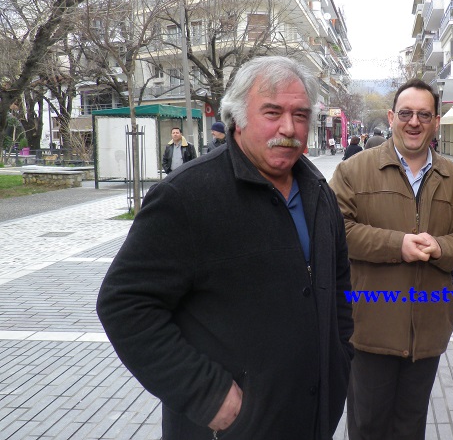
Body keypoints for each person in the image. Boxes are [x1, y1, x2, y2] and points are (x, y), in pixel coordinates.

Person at [97, 56, 353, 440]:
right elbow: (124, 304)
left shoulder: (318, 190)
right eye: (272, 112)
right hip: (229, 429)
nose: (289, 127)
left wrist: (340, 356)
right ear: (238, 117)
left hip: (312, 420)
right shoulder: (186, 195)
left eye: (300, 115)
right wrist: (205, 392)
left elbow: (339, 285)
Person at [330, 79, 453, 440]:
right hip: (369, 328)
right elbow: (336, 231)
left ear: (436, 122)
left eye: (424, 115)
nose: (414, 122)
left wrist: (441, 248)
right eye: (406, 113)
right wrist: (396, 244)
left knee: (410, 428)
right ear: (391, 117)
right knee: (368, 427)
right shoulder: (353, 171)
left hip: (427, 331)